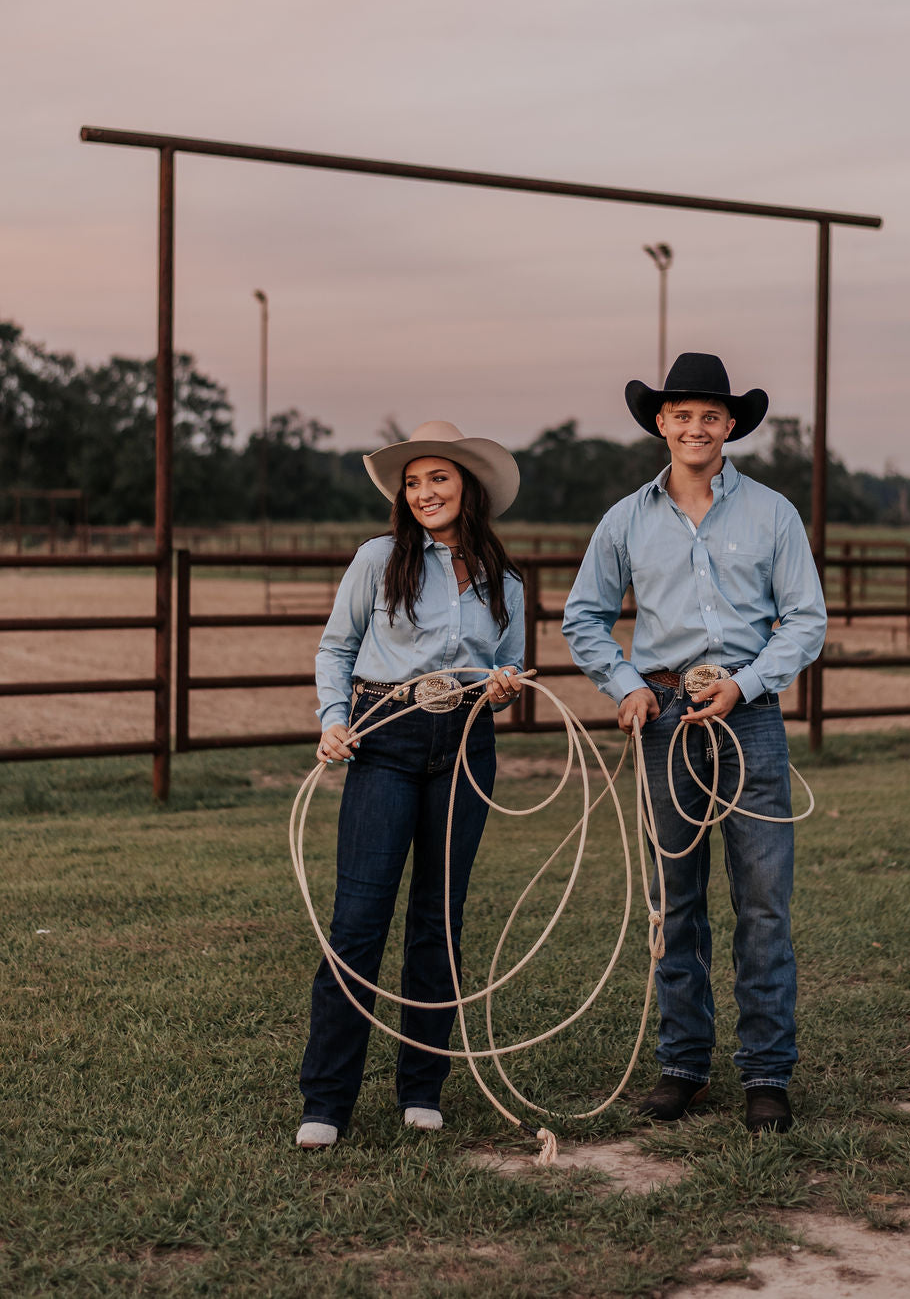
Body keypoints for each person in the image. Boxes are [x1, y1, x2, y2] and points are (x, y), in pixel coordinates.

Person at [562, 353, 827, 1134]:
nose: (696, 428)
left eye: (710, 415)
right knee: (674, 898)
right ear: (661, 423)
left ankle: (766, 1073)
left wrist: (745, 684)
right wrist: (627, 685)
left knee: (763, 902)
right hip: (666, 715)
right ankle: (683, 1065)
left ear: (730, 424)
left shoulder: (772, 513)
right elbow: (584, 616)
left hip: (749, 712)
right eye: (682, 415)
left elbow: (804, 618)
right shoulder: (626, 519)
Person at [297, 420, 525, 1148]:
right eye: (414, 482)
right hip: (385, 735)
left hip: (465, 742)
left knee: (438, 919)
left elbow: (508, 670)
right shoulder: (379, 559)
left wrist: (503, 690)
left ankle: (421, 1088)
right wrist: (334, 719)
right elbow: (336, 647)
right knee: (359, 921)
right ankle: (326, 1101)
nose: (424, 492)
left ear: (468, 487)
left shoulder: (504, 579)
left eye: (439, 478)